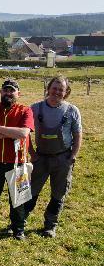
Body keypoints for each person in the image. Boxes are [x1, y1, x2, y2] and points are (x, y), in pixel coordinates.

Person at [24, 76, 82, 238]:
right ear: (48, 88)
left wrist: (72, 156)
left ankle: (50, 225)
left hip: (62, 158)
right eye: (54, 88)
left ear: (66, 92)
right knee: (31, 192)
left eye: (61, 90)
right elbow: (26, 133)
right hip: (40, 158)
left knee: (58, 194)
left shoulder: (72, 111)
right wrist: (32, 154)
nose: (57, 92)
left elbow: (77, 135)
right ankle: (20, 221)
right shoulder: (35, 108)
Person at [0, 79, 34, 240]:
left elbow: (24, 133)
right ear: (1, 92)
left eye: (12, 91)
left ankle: (18, 228)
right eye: (5, 90)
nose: (8, 93)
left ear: (18, 93)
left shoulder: (25, 110)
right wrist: (11, 133)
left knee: (18, 198)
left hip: (18, 162)